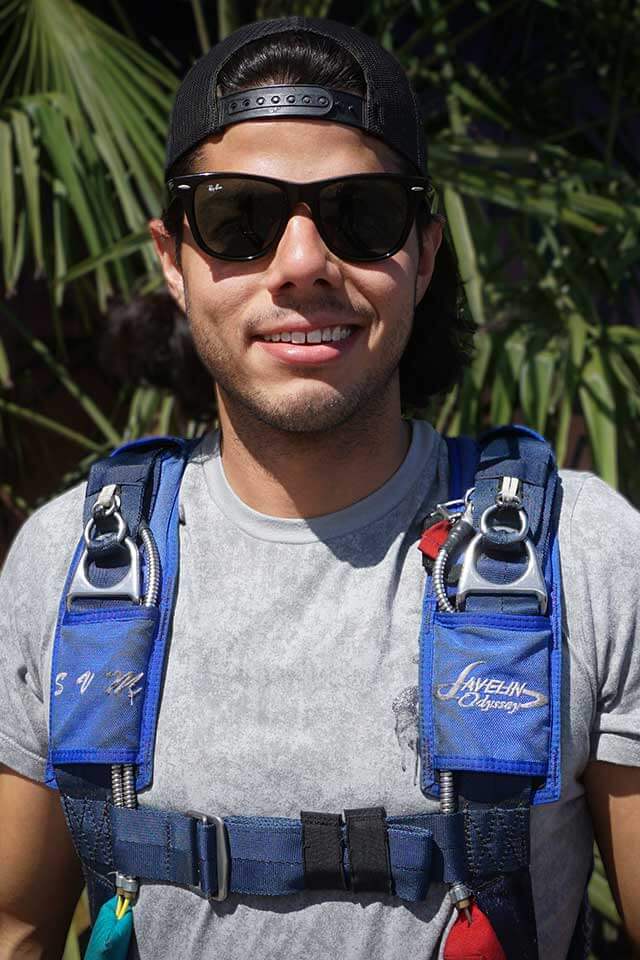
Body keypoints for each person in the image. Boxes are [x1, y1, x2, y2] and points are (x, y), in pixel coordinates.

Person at [0, 16, 639, 960]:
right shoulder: (72, 567)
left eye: (361, 214)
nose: (302, 263)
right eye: (237, 220)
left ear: (422, 255)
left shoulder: (583, 554)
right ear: (174, 261)